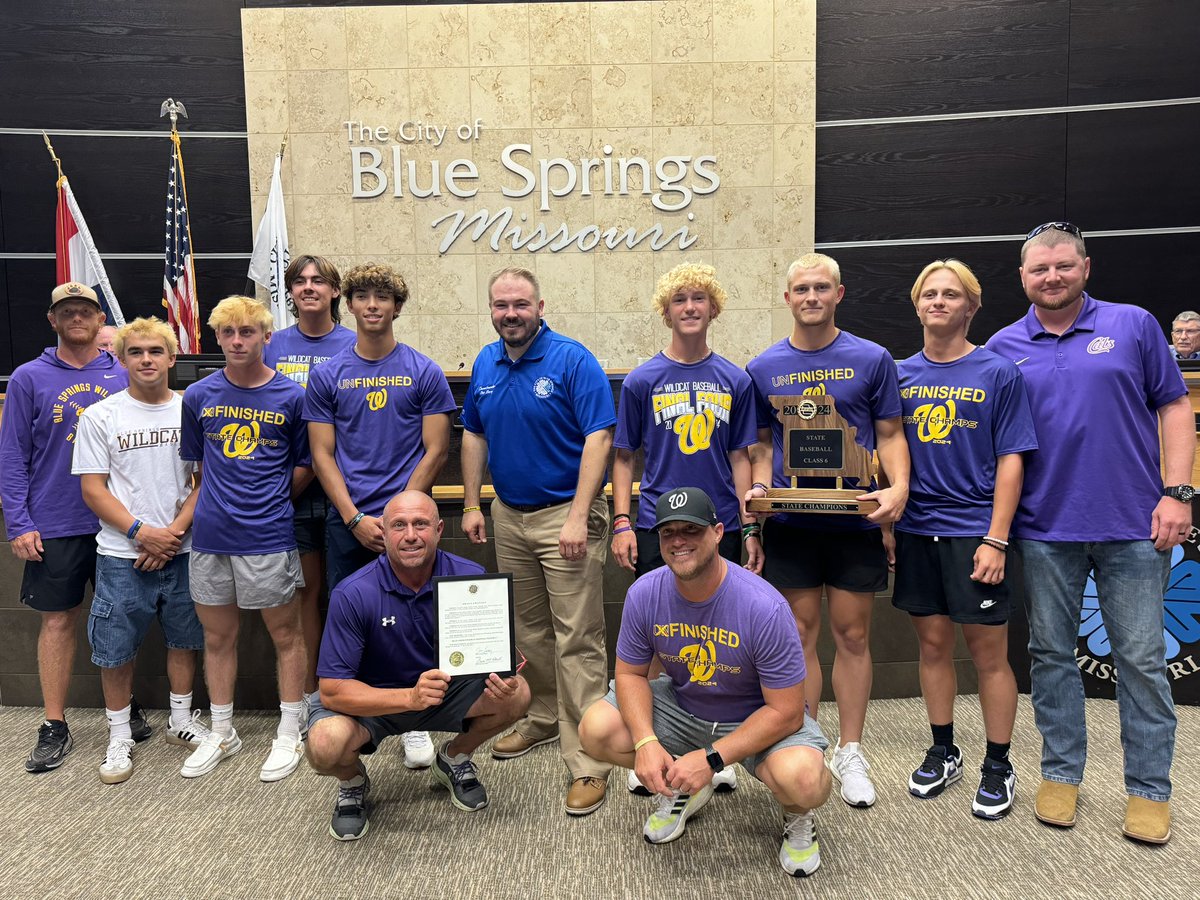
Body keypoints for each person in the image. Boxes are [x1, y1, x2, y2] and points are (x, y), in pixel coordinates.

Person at [988, 221, 1193, 845]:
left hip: (1134, 525)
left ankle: (1150, 789)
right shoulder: (1002, 346)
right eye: (1039, 268)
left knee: (1141, 660)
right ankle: (1060, 775)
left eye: (1063, 266)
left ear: (1086, 268)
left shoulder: (1134, 325)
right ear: (1023, 277)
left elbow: (1174, 406)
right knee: (1050, 656)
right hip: (1044, 529)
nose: (1051, 277)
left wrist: (1178, 492)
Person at [580, 487, 832, 877]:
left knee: (804, 780)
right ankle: (684, 785)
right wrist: (646, 742)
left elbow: (786, 713)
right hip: (685, 707)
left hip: (754, 717)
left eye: (691, 530)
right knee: (596, 729)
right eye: (668, 532)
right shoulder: (644, 593)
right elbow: (629, 674)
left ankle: (796, 814)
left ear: (717, 533)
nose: (678, 541)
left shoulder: (764, 607)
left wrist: (713, 758)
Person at [744, 253, 910, 809]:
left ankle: (851, 749)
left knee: (853, 635)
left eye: (821, 288)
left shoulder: (872, 358)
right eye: (801, 289)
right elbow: (761, 445)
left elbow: (890, 434)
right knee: (798, 636)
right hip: (791, 523)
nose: (811, 297)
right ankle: (806, 744)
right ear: (787, 298)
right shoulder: (763, 366)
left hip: (853, 521)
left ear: (839, 294)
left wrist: (897, 489)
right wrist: (761, 491)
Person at [461, 266, 615, 816]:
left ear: (540, 307)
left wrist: (577, 516)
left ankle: (591, 755)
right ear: (491, 309)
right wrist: (473, 503)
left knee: (578, 637)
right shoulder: (486, 362)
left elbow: (600, 437)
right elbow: (474, 432)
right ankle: (546, 716)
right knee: (529, 629)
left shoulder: (572, 359)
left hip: (565, 517)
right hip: (509, 516)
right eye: (501, 305)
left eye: (520, 304)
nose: (511, 314)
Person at [892, 260, 1037, 819]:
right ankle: (943, 750)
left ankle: (998, 764)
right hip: (916, 530)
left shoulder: (998, 372)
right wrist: (889, 526)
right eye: (929, 293)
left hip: (974, 532)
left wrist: (996, 539)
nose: (938, 301)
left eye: (951, 294)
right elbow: (887, 454)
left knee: (989, 656)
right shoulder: (899, 374)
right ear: (916, 305)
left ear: (971, 306)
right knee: (932, 647)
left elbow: (1012, 459)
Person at [305, 490, 530, 841]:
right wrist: (409, 698)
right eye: (399, 525)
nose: (411, 535)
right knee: (323, 744)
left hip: (443, 693)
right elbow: (332, 691)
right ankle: (352, 781)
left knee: (518, 695)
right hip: (375, 700)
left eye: (421, 524)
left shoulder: (470, 578)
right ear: (384, 532)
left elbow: (491, 655)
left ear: (439, 530)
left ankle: (454, 757)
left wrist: (504, 674)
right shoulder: (353, 593)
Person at [611, 262, 759, 796]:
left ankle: (720, 746)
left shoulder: (736, 379)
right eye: (680, 300)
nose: (690, 307)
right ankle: (653, 745)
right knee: (656, 637)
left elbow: (742, 456)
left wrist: (749, 527)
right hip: (659, 523)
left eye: (699, 298)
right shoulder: (642, 380)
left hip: (719, 525)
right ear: (666, 311)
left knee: (724, 636)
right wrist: (623, 521)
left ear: (713, 308)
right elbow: (623, 456)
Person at [305, 262, 456, 769]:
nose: (372, 305)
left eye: (383, 297)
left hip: (409, 525)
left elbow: (436, 450)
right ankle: (356, 719)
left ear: (397, 307)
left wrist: (399, 519)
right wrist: (354, 518)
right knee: (352, 618)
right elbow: (321, 454)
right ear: (347, 304)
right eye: (363, 296)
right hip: (349, 521)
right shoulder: (328, 375)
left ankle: (416, 721)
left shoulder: (424, 370)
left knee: (416, 620)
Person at [179, 295, 312, 782]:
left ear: (266, 337)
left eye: (248, 332)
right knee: (217, 637)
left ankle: (290, 731)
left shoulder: (292, 397)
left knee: (286, 636)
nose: (238, 341)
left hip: (268, 536)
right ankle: (221, 731)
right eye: (228, 333)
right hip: (211, 537)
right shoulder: (198, 396)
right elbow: (198, 468)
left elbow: (305, 465)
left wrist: (271, 500)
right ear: (217, 338)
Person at [72, 317, 209, 784]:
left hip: (182, 548)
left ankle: (180, 719)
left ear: (172, 358)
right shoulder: (101, 416)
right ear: (121, 359)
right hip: (120, 554)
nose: (146, 359)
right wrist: (140, 532)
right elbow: (93, 489)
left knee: (185, 638)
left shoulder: (191, 410)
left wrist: (171, 534)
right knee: (115, 649)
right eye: (135, 352)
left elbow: (203, 481)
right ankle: (118, 735)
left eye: (155, 351)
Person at [0, 282, 130, 773]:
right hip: (54, 522)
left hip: (116, 520)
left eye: (85, 311)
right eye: (67, 311)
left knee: (121, 618)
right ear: (52, 320)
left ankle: (122, 710)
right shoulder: (28, 378)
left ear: (100, 320)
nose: (77, 318)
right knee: (58, 622)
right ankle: (54, 723)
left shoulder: (123, 374)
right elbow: (13, 455)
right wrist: (19, 522)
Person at [263, 255, 356, 727]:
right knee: (306, 592)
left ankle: (352, 688)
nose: (309, 287)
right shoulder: (272, 345)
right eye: (299, 281)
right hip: (290, 489)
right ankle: (307, 696)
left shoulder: (355, 343)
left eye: (319, 280)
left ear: (335, 291)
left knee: (347, 594)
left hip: (346, 489)